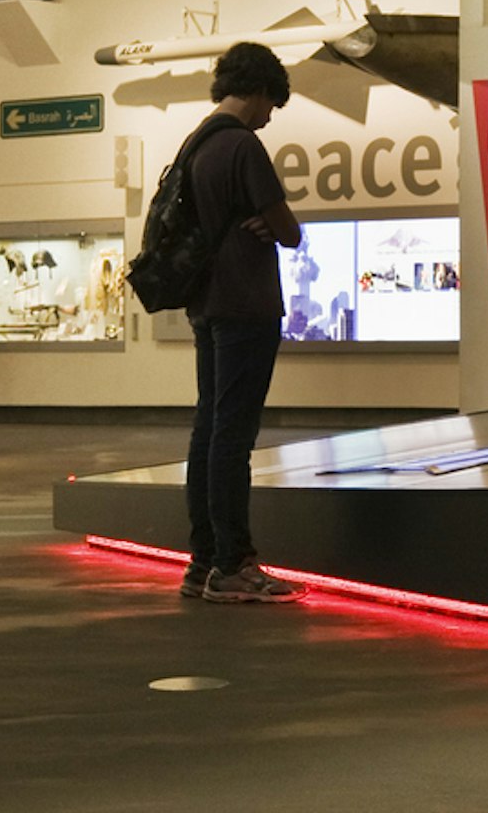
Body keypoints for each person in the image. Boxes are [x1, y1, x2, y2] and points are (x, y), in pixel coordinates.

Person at [178, 41, 303, 604]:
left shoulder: (195, 144)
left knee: (209, 429)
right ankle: (234, 565)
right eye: (270, 105)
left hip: (206, 304)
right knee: (234, 437)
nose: (269, 117)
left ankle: (201, 560)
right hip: (246, 305)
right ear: (256, 91)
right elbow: (289, 230)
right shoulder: (241, 146)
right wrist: (267, 220)